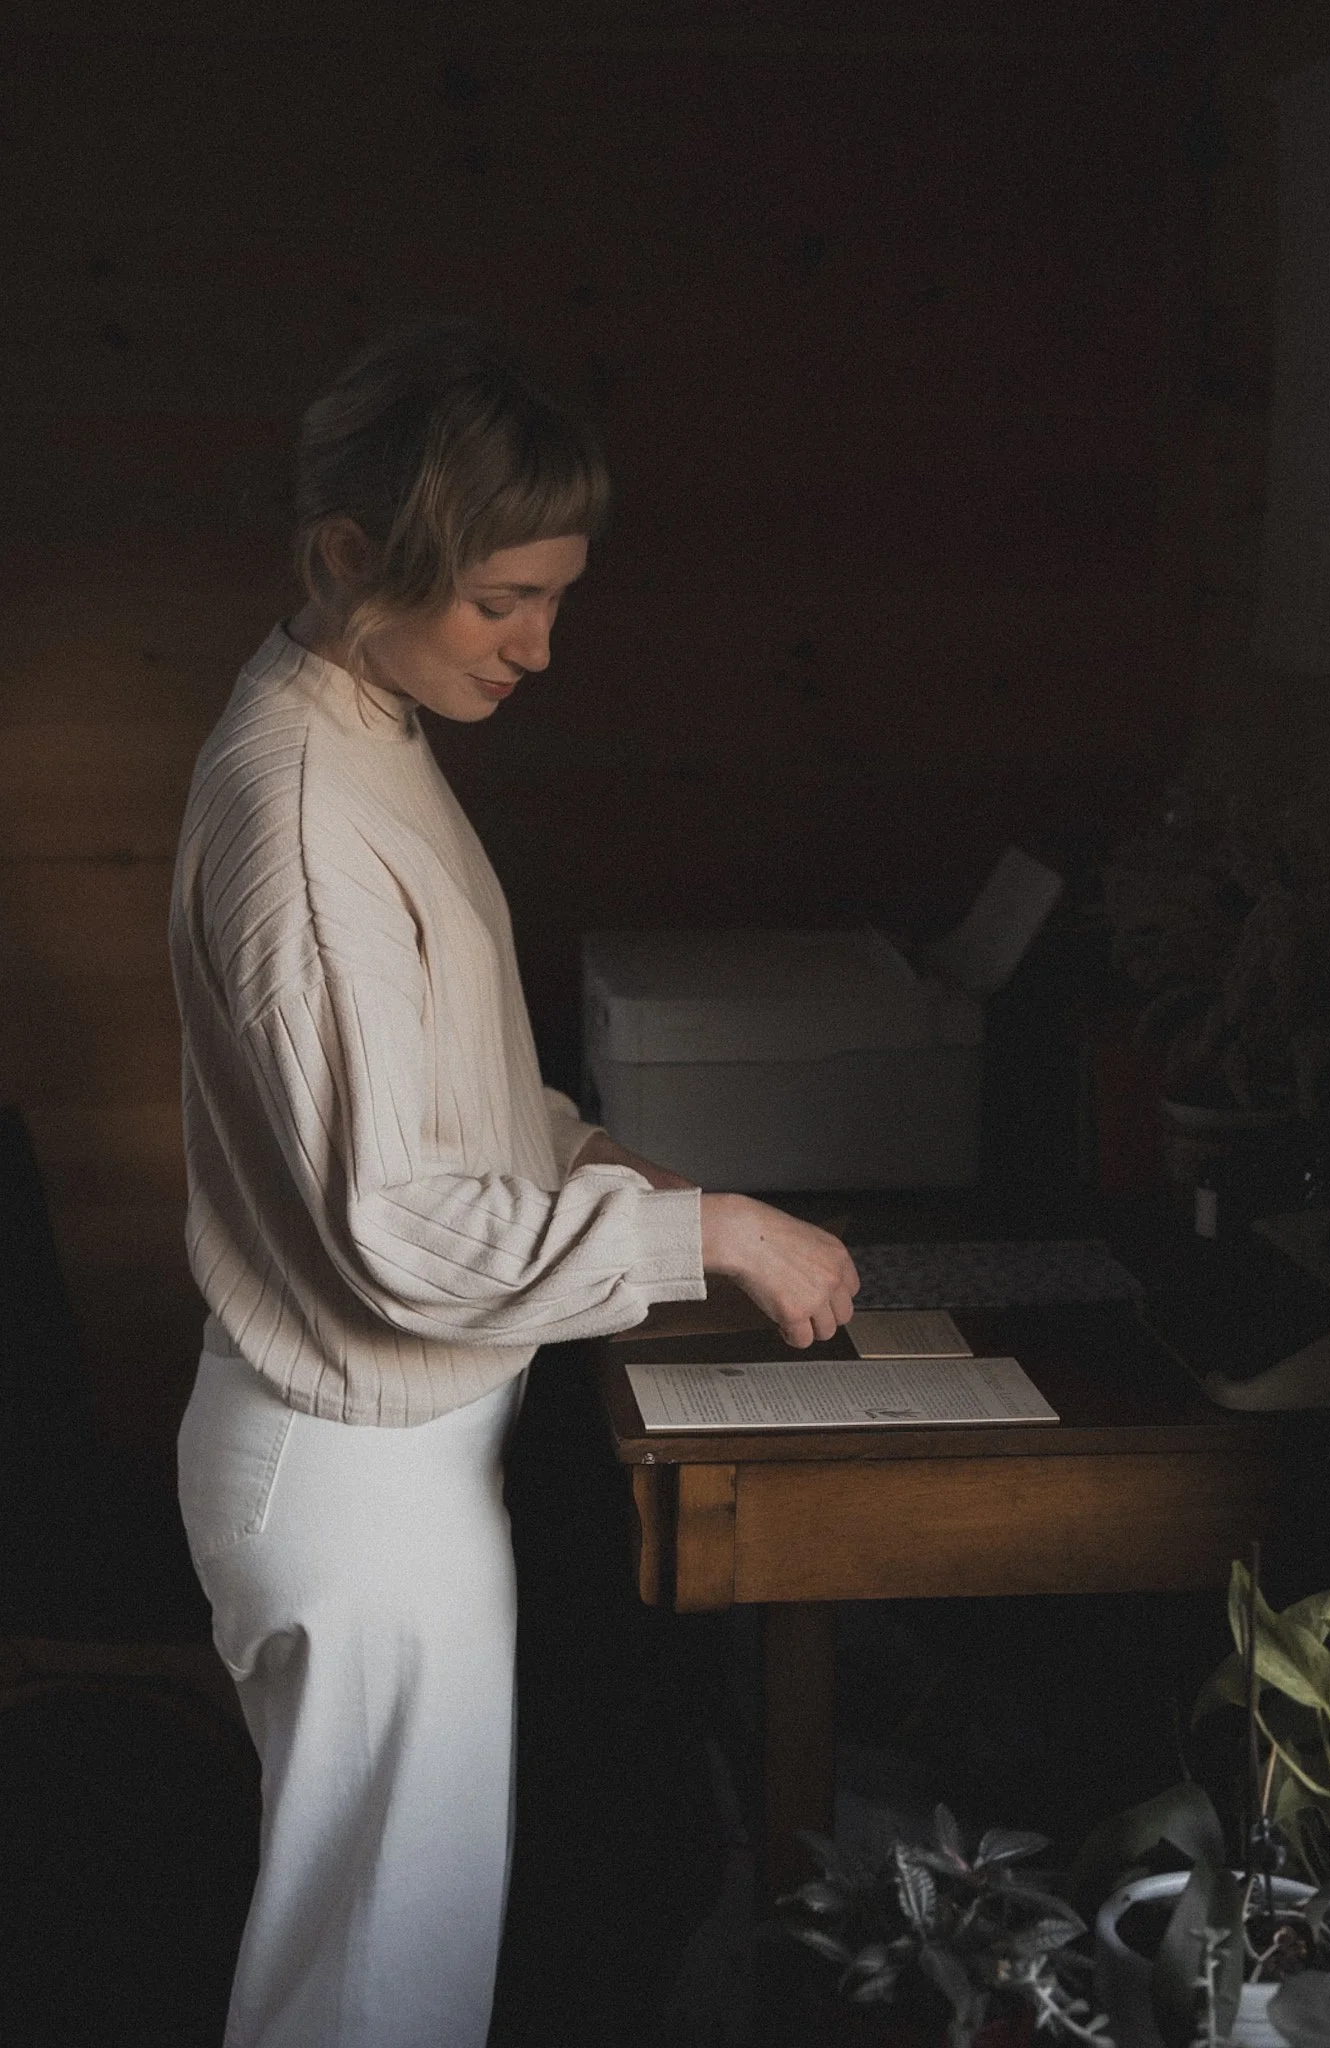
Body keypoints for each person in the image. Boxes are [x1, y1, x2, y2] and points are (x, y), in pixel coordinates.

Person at [170, 318, 859, 2048]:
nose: (541, 647)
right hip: (352, 1473)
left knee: (393, 1976)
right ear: (349, 556)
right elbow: (395, 1222)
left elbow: (443, 1097)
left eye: (555, 596)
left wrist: (598, 1158)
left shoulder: (365, 731)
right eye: (503, 600)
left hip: (393, 1455)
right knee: (366, 1999)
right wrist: (705, 1230)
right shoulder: (307, 810)